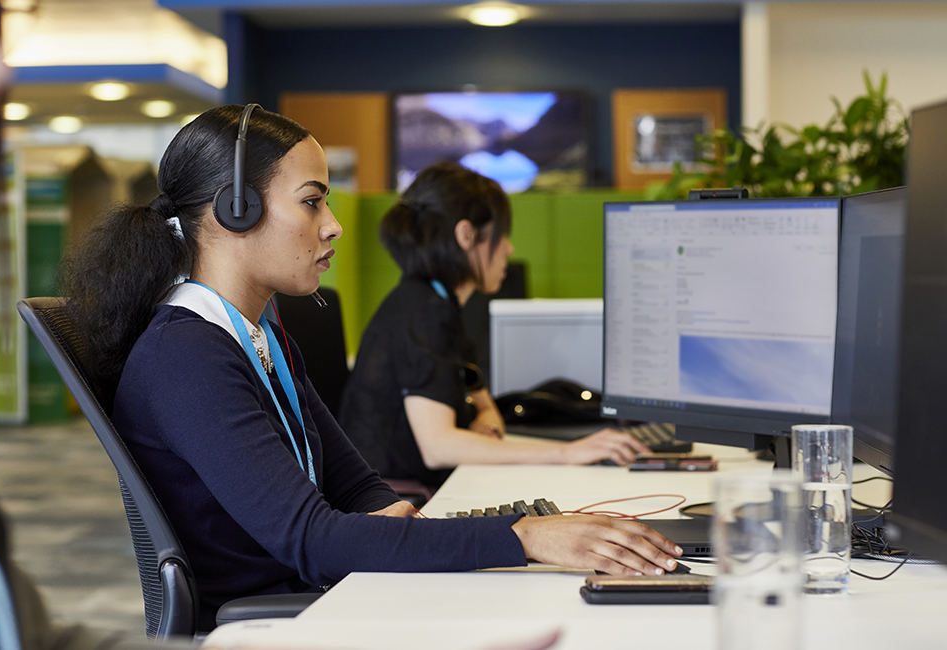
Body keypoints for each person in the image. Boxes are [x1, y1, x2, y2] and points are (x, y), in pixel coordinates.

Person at [59, 105, 682, 632]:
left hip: (322, 596)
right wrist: (523, 535)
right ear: (237, 210)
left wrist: (408, 528)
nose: (331, 227)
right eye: (311, 203)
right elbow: (311, 538)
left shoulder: (259, 337)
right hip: (275, 621)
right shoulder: (187, 356)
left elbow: (358, 488)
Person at [339, 162, 651, 489]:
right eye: (501, 235)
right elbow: (439, 447)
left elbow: (482, 402)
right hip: (398, 501)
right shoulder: (426, 313)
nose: (509, 248)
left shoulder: (436, 302)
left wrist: (484, 419)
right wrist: (566, 452)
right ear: (466, 235)